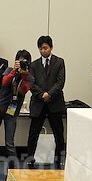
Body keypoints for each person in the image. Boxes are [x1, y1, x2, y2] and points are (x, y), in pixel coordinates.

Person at [0, 50, 34, 167]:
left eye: (24, 61)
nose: (21, 62)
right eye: (19, 60)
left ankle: (12, 171)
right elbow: (4, 83)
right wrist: (14, 71)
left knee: (9, 142)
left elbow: (22, 90)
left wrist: (24, 75)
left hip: (12, 111)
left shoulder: (30, 78)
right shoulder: (9, 70)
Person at [28, 36, 66, 168]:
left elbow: (60, 82)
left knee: (58, 133)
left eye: (45, 48)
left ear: (51, 47)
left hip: (54, 102)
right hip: (38, 103)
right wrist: (42, 94)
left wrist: (49, 94)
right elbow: (31, 83)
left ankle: (59, 160)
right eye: (41, 48)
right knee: (33, 133)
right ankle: (30, 159)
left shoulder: (59, 62)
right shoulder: (33, 64)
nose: (43, 51)